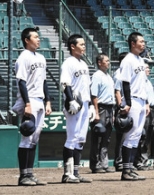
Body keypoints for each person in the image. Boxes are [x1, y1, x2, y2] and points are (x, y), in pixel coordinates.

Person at [13, 27, 52, 186]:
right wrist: (27, 103)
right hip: (29, 99)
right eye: (35, 37)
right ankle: (23, 176)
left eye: (38, 37)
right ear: (27, 40)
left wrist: (48, 101)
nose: (39, 39)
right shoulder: (23, 58)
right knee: (27, 137)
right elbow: (21, 82)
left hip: (40, 99)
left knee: (34, 139)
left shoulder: (41, 58)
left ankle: (30, 173)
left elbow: (44, 81)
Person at [59, 34, 93, 183]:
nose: (84, 46)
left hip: (84, 104)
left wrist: (91, 105)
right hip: (75, 105)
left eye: (84, 44)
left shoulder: (83, 64)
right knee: (72, 138)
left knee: (80, 139)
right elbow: (65, 84)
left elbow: (88, 87)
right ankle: (67, 174)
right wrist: (71, 100)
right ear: (73, 46)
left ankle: (76, 172)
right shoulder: (68, 63)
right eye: (81, 44)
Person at [117, 32, 149, 181]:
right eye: (141, 42)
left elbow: (142, 84)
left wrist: (147, 102)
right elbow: (125, 83)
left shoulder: (141, 60)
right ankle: (125, 171)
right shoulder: (128, 60)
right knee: (130, 135)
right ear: (133, 43)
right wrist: (128, 103)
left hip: (142, 100)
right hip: (133, 101)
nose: (143, 44)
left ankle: (130, 168)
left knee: (136, 136)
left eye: (144, 42)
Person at [89, 53, 116, 174]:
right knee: (98, 136)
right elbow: (94, 95)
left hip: (110, 108)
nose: (109, 63)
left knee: (107, 138)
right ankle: (96, 164)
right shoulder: (97, 76)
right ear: (100, 62)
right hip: (100, 108)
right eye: (106, 61)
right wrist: (96, 111)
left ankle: (104, 164)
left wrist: (113, 113)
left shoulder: (108, 76)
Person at [134, 63, 154, 171]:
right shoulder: (141, 81)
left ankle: (144, 161)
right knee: (141, 136)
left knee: (147, 137)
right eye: (146, 68)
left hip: (151, 110)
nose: (148, 69)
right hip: (144, 109)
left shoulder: (148, 81)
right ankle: (139, 162)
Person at [112, 52, 128, 172]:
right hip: (122, 107)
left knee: (128, 136)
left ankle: (126, 160)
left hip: (128, 105)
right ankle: (119, 161)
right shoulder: (119, 74)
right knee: (122, 136)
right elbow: (117, 91)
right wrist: (121, 106)